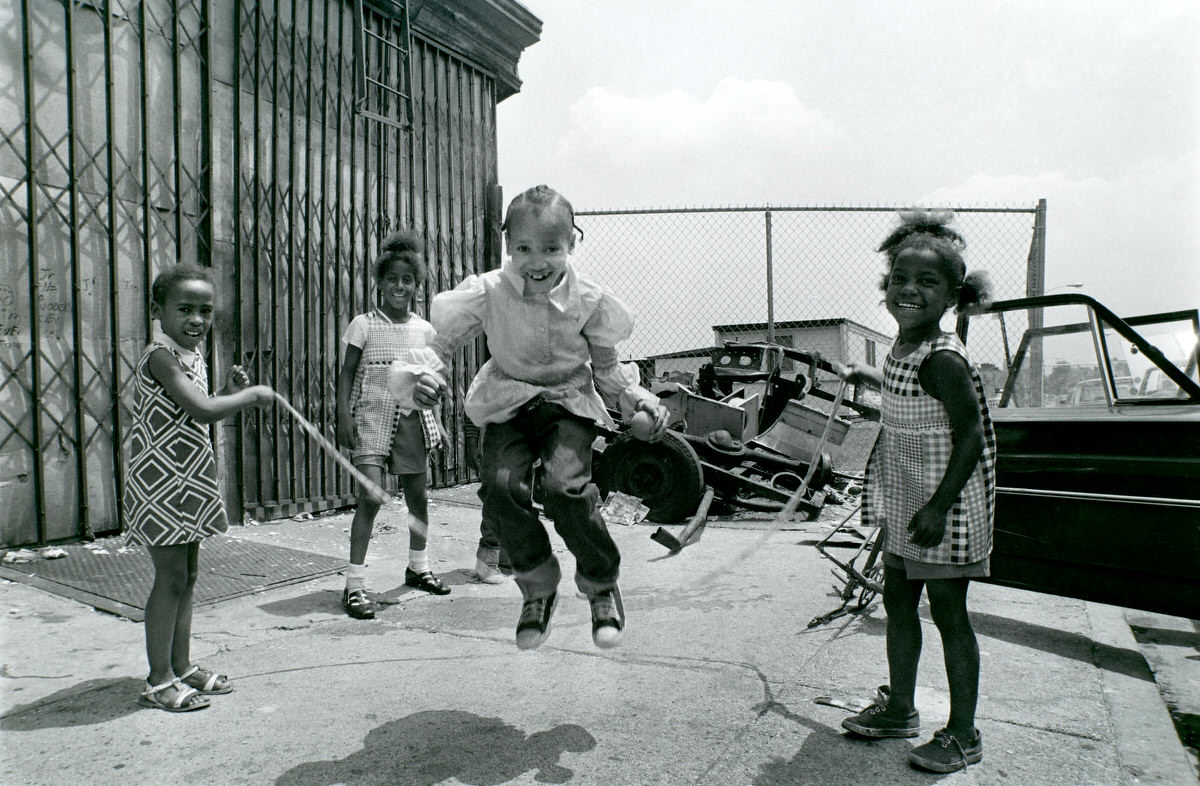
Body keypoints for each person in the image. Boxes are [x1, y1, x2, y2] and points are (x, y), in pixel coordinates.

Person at [417, 184, 669, 650]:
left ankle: (600, 584)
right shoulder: (489, 291)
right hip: (507, 403)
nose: (537, 261)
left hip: (567, 403)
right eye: (524, 248)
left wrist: (637, 400)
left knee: (564, 489)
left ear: (571, 243)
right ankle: (538, 586)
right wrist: (422, 375)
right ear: (507, 244)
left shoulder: (590, 298)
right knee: (500, 487)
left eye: (551, 248)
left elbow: (608, 369)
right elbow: (440, 345)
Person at [838, 209, 996, 773]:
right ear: (886, 287)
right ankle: (902, 709)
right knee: (898, 600)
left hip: (944, 503)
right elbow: (910, 400)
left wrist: (937, 505)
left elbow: (972, 435)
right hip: (907, 496)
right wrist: (867, 380)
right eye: (900, 278)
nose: (910, 289)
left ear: (954, 295)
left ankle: (962, 733)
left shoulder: (944, 357)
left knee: (950, 612)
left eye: (927, 283)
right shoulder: (903, 346)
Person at [123, 264, 274, 712]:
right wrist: (249, 397)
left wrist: (228, 388)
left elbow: (201, 409)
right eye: (185, 309)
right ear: (157, 311)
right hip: (161, 483)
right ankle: (158, 680)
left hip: (186, 478)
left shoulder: (193, 357)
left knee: (186, 577)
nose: (197, 319)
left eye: (205, 311)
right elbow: (203, 411)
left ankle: (182, 666)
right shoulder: (160, 357)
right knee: (170, 578)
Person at [335, 231, 452, 621]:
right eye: (392, 280)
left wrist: (438, 418)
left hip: (413, 422)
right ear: (379, 283)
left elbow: (433, 380)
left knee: (418, 497)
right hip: (371, 417)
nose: (399, 287)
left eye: (407, 280)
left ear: (416, 285)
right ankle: (354, 585)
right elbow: (347, 373)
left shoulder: (424, 329)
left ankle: (418, 567)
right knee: (370, 497)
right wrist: (343, 414)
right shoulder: (363, 325)